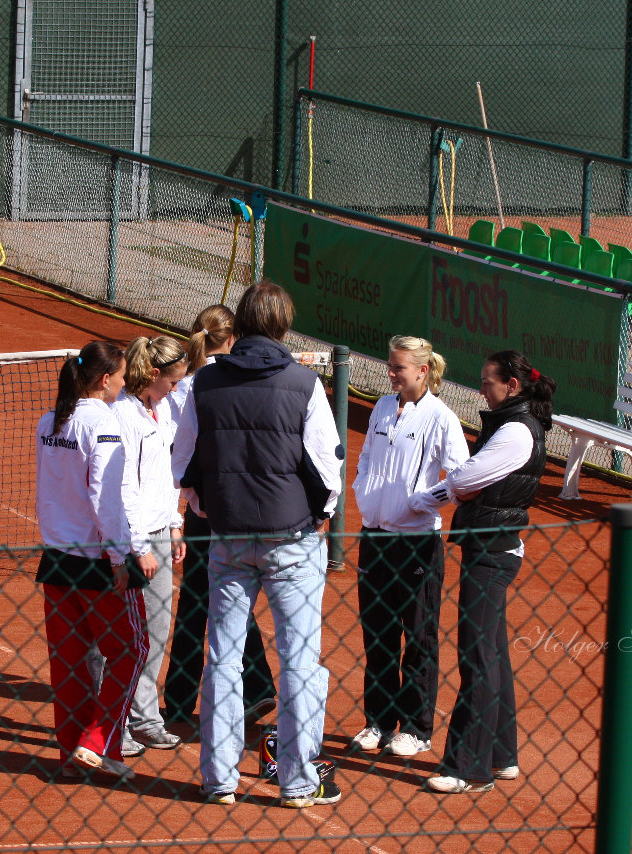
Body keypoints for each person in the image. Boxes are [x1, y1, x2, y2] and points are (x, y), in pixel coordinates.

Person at [171, 281, 344, 808]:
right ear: (284, 326)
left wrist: (209, 509)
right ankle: (296, 781)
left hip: (227, 539)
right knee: (300, 662)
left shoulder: (202, 384)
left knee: (222, 658)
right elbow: (327, 468)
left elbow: (183, 464)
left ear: (241, 324)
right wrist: (318, 515)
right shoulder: (305, 383)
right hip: (292, 539)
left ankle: (218, 779)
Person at [409, 349, 554, 794]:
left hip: (493, 552)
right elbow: (469, 482)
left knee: (477, 655)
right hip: (491, 545)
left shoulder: (515, 431)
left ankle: (468, 767)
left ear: (512, 386)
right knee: (491, 651)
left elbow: (465, 480)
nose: (481, 388)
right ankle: (501, 755)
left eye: (488, 381)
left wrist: (420, 502)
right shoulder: (512, 424)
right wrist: (460, 489)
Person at [35, 340, 160, 782]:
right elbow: (105, 496)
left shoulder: (49, 421)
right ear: (105, 380)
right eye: (123, 376)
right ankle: (99, 739)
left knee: (68, 661)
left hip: (56, 561)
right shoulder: (103, 424)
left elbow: (52, 490)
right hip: (97, 563)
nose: (125, 383)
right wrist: (119, 556)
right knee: (131, 651)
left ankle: (74, 752)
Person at [350, 336, 469, 758]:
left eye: (399, 367)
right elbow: (365, 457)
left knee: (418, 635)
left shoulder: (442, 418)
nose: (391, 373)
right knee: (377, 632)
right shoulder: (383, 407)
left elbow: (459, 476)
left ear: (422, 371)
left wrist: (424, 501)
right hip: (374, 536)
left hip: (418, 542)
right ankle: (378, 721)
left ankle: (417, 727)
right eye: (390, 365)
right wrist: (363, 489)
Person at [163, 305, 278, 726]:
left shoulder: (186, 386)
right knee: (229, 596)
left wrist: (183, 508)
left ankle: (179, 701)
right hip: (239, 507)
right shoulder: (230, 380)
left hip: (200, 510)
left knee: (200, 599)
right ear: (231, 339)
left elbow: (178, 453)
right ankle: (256, 688)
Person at [112, 335, 190, 753]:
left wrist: (176, 522)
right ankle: (115, 722)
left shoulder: (161, 410)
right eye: (173, 382)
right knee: (123, 637)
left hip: (160, 531)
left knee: (157, 630)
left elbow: (165, 476)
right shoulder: (122, 416)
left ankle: (144, 717)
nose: (176, 390)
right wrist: (137, 546)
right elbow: (124, 488)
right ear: (154, 374)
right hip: (131, 538)